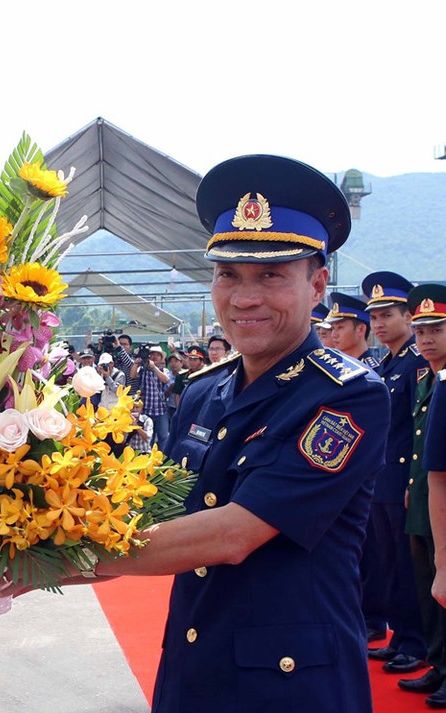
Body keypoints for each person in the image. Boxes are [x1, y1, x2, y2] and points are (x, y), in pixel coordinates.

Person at [57, 154, 390, 711]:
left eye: (272, 276)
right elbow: (157, 523)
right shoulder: (204, 391)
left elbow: (232, 535)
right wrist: (29, 554)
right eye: (228, 274)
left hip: (289, 684)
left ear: (318, 285)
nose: (244, 298)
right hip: (194, 664)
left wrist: (61, 559)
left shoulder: (346, 395)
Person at [357, 272, 426, 673]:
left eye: (388, 315)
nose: (380, 324)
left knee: (407, 563)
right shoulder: (389, 363)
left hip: (403, 481)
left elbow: (417, 428)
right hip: (382, 482)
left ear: (408, 317)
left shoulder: (417, 363)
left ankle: (415, 643)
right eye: (376, 317)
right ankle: (400, 635)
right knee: (388, 562)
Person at [402, 283, 446, 705]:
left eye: (436, 329)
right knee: (427, 586)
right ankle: (439, 664)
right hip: (423, 502)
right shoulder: (427, 380)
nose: (426, 339)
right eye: (420, 331)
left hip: (443, 503)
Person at [129, 345, 171, 446]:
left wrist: (154, 368)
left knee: (164, 438)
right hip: (146, 410)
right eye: (152, 354)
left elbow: (166, 380)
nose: (155, 357)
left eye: (158, 355)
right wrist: (136, 362)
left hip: (161, 410)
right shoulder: (143, 370)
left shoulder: (164, 370)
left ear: (161, 358)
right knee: (149, 438)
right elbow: (132, 375)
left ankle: (163, 460)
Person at [326, 292, 380, 369]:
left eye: (340, 327)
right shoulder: (335, 367)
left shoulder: (372, 371)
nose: (334, 335)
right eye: (333, 328)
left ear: (360, 329)